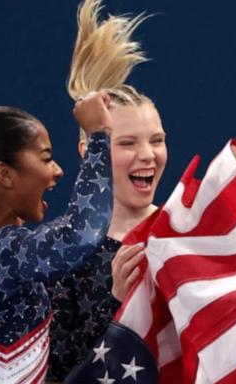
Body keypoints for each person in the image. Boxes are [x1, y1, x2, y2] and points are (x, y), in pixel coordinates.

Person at [46, 0, 167, 381]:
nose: (148, 155)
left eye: (157, 140)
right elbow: (58, 368)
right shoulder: (63, 252)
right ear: (90, 153)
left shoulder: (187, 230)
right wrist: (114, 302)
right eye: (128, 143)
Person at [0, 99, 113, 383]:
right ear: (4, 174)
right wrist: (98, 138)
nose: (57, 170)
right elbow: (78, 236)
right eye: (45, 158)